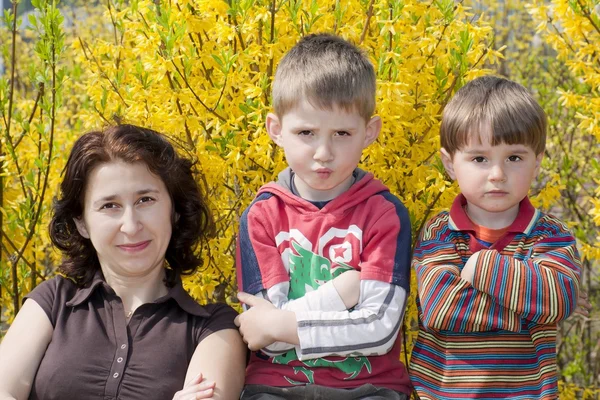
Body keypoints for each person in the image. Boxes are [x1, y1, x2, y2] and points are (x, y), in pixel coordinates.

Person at [0, 124, 246, 400]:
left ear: (174, 211)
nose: (130, 226)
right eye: (109, 206)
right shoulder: (52, 303)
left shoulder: (214, 327)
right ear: (81, 222)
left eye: (145, 200)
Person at [234, 33, 413, 399]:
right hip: (275, 388)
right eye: (306, 133)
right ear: (276, 130)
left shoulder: (385, 214)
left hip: (368, 388)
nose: (323, 153)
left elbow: (379, 329)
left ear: (369, 132)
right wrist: (340, 294)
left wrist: (283, 323)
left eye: (342, 133)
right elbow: (264, 341)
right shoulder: (261, 216)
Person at [409, 76, 581, 399]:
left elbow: (560, 297)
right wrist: (533, 313)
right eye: (479, 159)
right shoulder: (439, 232)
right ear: (450, 164)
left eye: (514, 158)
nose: (497, 174)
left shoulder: (551, 235)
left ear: (537, 162)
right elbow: (440, 307)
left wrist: (480, 267)